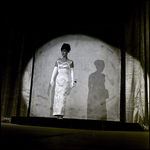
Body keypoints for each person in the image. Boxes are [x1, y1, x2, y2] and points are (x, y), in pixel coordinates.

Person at [48, 43, 76, 119]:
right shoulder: (58, 61)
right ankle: (57, 113)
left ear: (68, 52)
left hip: (65, 80)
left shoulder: (70, 62)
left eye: (65, 51)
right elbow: (54, 71)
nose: (63, 53)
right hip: (58, 80)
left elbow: (72, 72)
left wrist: (72, 82)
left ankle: (61, 114)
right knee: (57, 96)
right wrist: (52, 80)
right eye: (62, 51)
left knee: (62, 97)